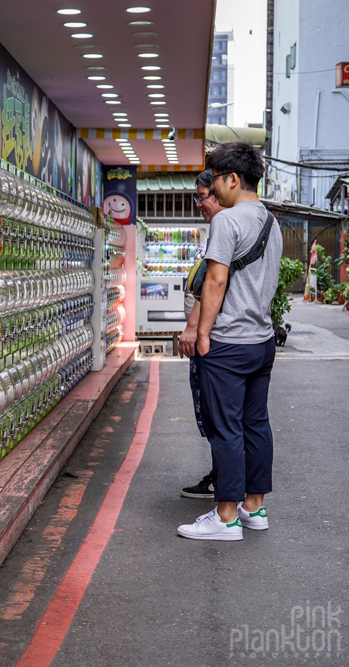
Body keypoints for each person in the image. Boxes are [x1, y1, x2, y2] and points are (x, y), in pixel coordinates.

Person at [177, 141, 281, 541]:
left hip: (228, 344)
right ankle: (254, 508)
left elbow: (216, 279)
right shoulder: (270, 221)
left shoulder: (227, 220)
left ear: (233, 178)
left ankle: (225, 518)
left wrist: (201, 333)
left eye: (216, 181)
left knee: (225, 429)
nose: (213, 191)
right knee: (256, 424)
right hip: (261, 340)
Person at [178, 170, 224, 499]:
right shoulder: (214, 235)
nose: (199, 204)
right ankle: (223, 475)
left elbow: (211, 287)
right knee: (209, 415)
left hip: (211, 343)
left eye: (202, 196)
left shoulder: (225, 233)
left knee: (216, 415)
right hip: (205, 343)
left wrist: (195, 328)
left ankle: (226, 483)